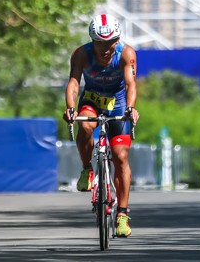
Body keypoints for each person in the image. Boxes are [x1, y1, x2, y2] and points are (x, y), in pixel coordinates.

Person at [64, 14, 139, 238]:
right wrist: (70, 107)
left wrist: (131, 108)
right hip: (92, 101)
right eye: (99, 43)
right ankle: (87, 168)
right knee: (85, 127)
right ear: (92, 41)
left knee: (120, 156)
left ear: (117, 40)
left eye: (110, 43)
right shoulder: (81, 54)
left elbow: (130, 84)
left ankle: (122, 215)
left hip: (118, 105)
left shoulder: (126, 53)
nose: (105, 48)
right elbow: (74, 83)